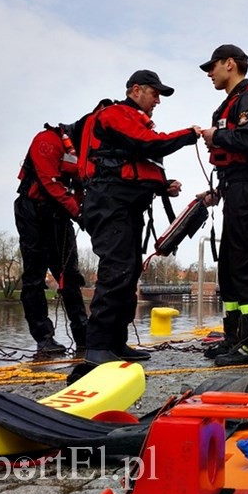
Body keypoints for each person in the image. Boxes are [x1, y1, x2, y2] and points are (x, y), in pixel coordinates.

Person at [79, 70, 201, 366]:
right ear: (136, 90)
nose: (158, 100)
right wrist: (190, 134)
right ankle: (96, 348)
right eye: (155, 93)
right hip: (109, 204)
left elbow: (132, 161)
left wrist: (161, 185)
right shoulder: (116, 114)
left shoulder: (130, 119)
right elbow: (147, 144)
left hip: (124, 205)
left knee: (129, 270)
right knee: (117, 269)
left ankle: (116, 343)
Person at [14, 101, 109, 355]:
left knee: (69, 275)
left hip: (59, 217)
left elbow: (82, 187)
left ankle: (83, 334)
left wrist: (88, 211)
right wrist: (79, 213)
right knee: (34, 276)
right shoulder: (47, 140)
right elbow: (49, 183)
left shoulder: (84, 154)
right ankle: (43, 337)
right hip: (32, 212)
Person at [199, 45, 248, 367]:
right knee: (229, 268)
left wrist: (217, 135)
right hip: (234, 188)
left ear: (230, 64)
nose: (209, 73)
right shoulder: (231, 102)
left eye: (212, 67)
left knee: (247, 266)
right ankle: (234, 338)